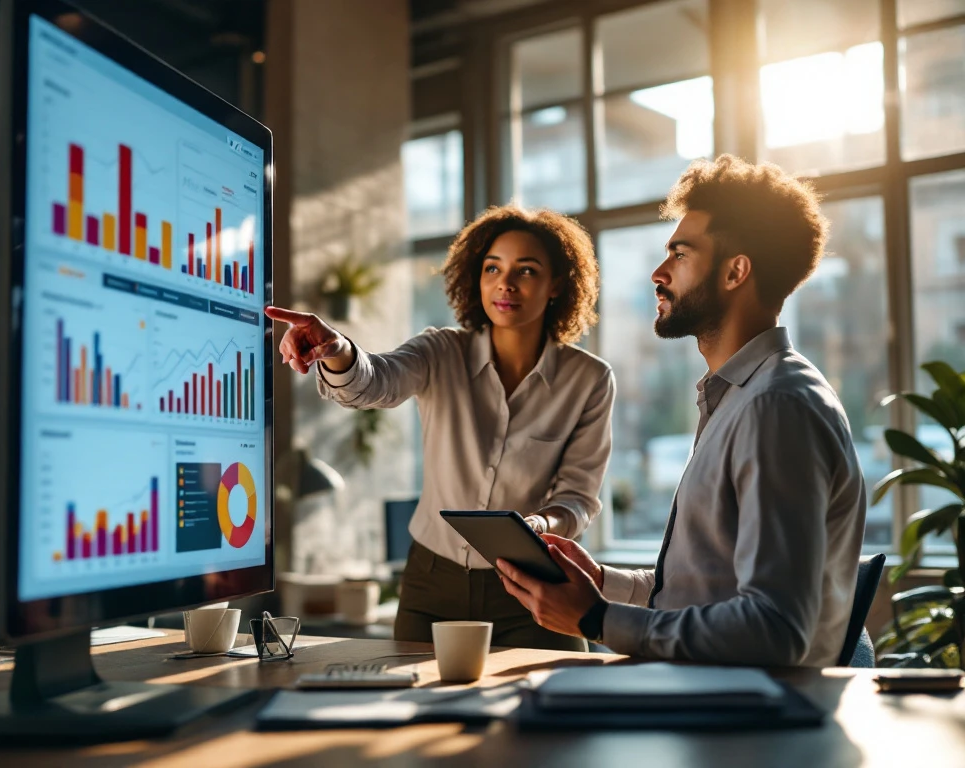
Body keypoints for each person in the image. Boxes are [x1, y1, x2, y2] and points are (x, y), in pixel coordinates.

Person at [497, 155, 867, 667]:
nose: (658, 272)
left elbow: (775, 628)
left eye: (680, 253)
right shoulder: (737, 396)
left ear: (736, 271)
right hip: (713, 704)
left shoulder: (776, 407)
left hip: (749, 725)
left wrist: (596, 620)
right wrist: (603, 585)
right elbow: (703, 590)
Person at [266, 204, 615, 650]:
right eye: (493, 268)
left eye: (526, 271)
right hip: (431, 586)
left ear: (557, 285)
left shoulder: (589, 379)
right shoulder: (440, 351)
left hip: (533, 590)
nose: (505, 283)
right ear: (478, 277)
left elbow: (578, 497)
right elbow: (376, 380)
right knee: (409, 709)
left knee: (550, 707)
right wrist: (337, 350)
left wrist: (540, 524)